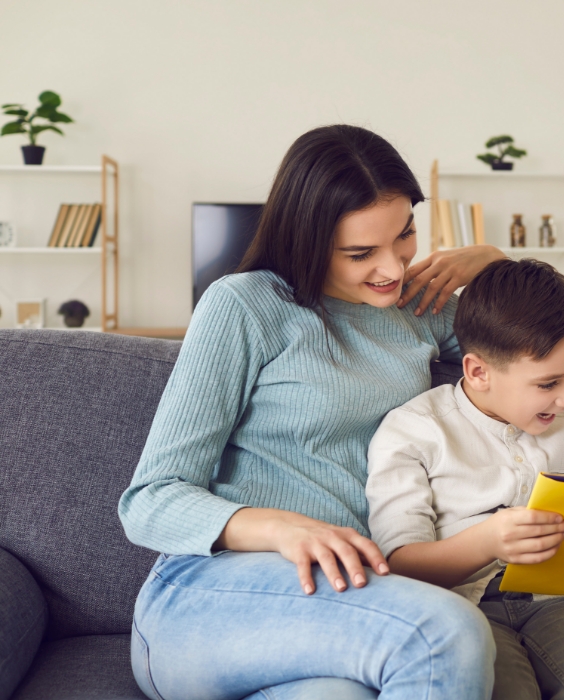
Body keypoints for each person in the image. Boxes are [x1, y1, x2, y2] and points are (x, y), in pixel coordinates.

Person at [118, 124, 508, 700]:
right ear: (305, 238)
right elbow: (149, 500)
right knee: (442, 634)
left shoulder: (419, 309)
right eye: (359, 253)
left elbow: (548, 358)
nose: (393, 269)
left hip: (347, 604)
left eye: (404, 236)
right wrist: (278, 527)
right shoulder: (245, 305)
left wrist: (494, 263)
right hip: (209, 596)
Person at [366, 258, 564, 700]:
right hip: (463, 609)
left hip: (562, 603)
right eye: (549, 382)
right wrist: (488, 540)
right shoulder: (412, 431)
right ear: (478, 372)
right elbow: (398, 562)